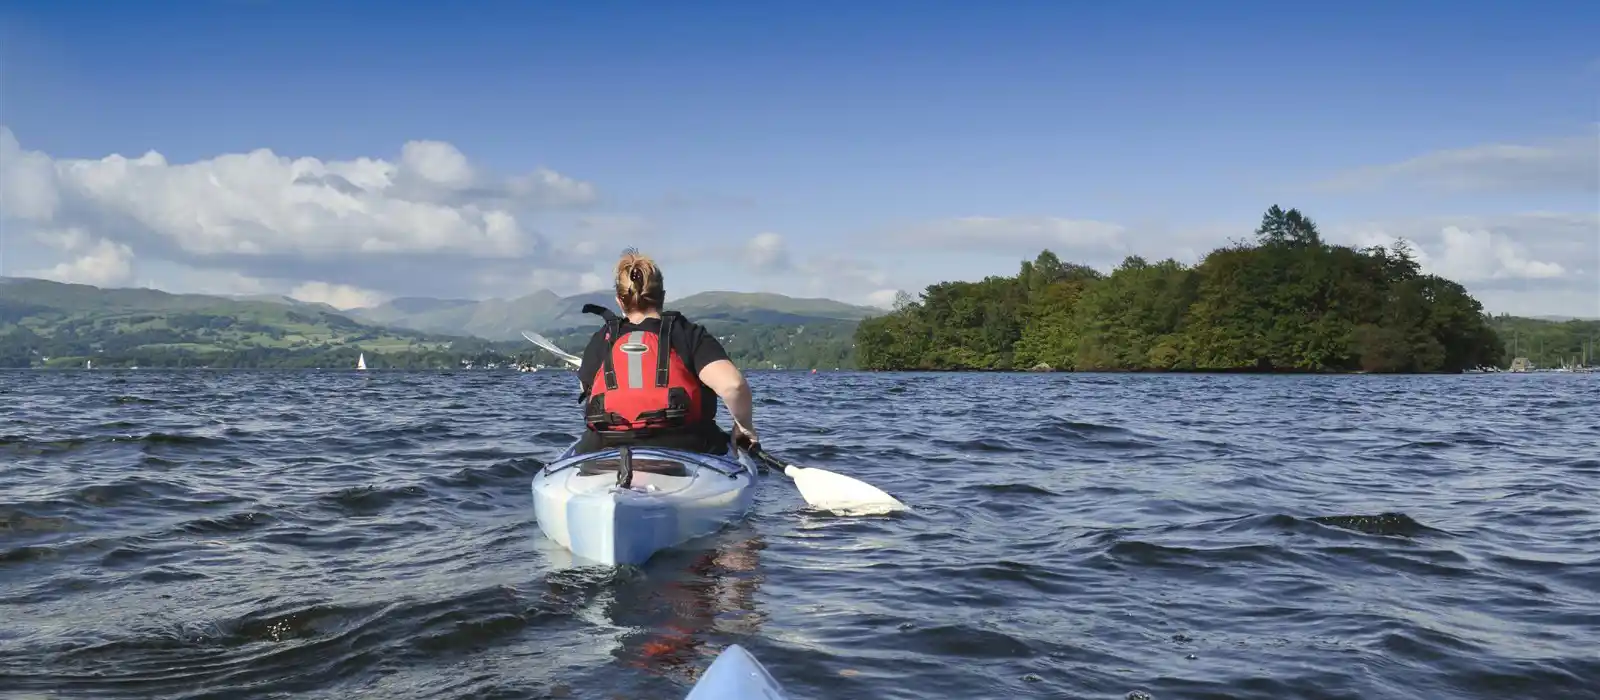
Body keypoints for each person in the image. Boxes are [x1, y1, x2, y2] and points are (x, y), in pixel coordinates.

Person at [572, 249, 758, 456]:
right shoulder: (687, 333)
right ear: (662, 295)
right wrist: (744, 427)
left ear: (619, 300)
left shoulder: (602, 339)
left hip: (605, 448)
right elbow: (733, 386)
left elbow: (587, 388)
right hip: (686, 448)